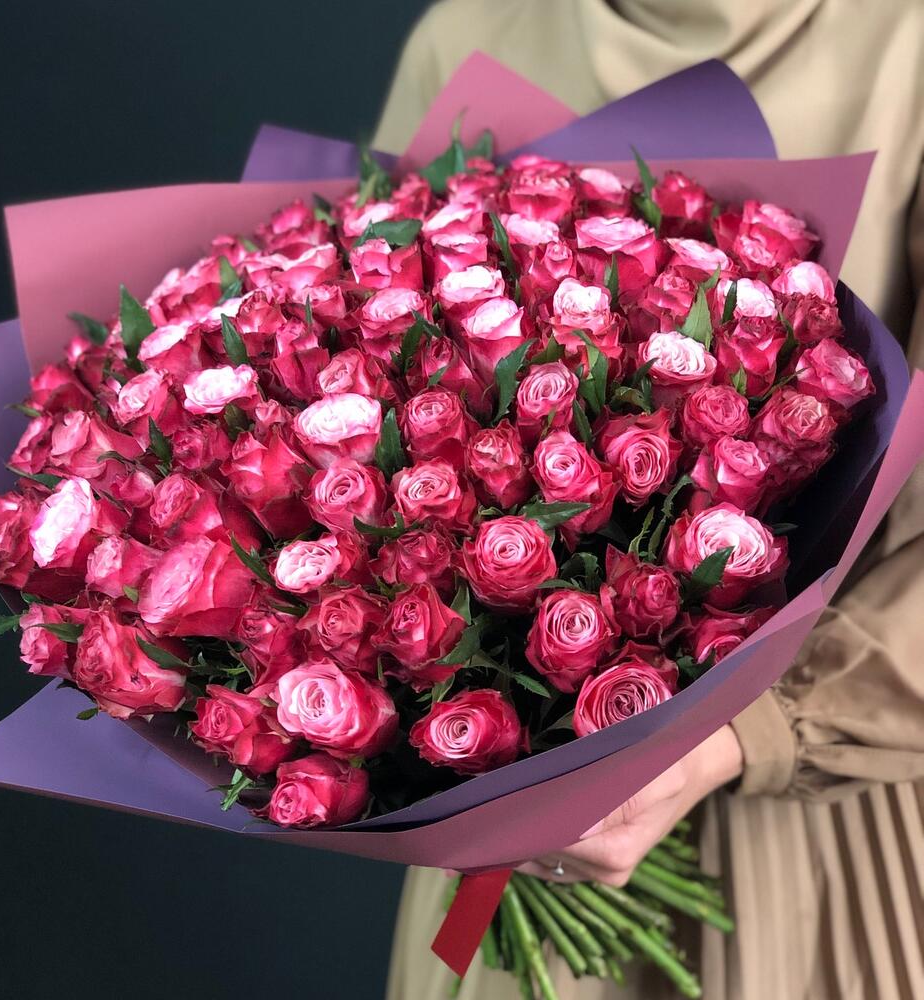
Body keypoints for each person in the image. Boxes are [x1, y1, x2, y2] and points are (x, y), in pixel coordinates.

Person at [373, 3, 924, 998]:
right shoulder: (467, 34)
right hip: (517, 854)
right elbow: (377, 371)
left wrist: (746, 732)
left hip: (827, 828)